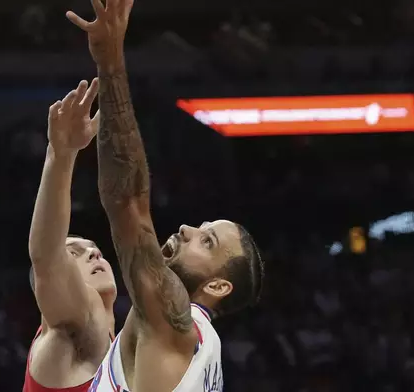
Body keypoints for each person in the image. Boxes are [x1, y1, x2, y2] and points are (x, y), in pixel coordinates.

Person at [66, 1, 264, 391]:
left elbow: (129, 205)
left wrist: (110, 63)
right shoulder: (206, 356)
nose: (188, 228)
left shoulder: (176, 319)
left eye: (207, 241)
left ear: (219, 286)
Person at [23, 79, 118, 392]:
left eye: (93, 248)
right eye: (74, 253)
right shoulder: (65, 336)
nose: (94, 253)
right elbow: (46, 258)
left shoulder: (121, 348)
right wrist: (61, 156)